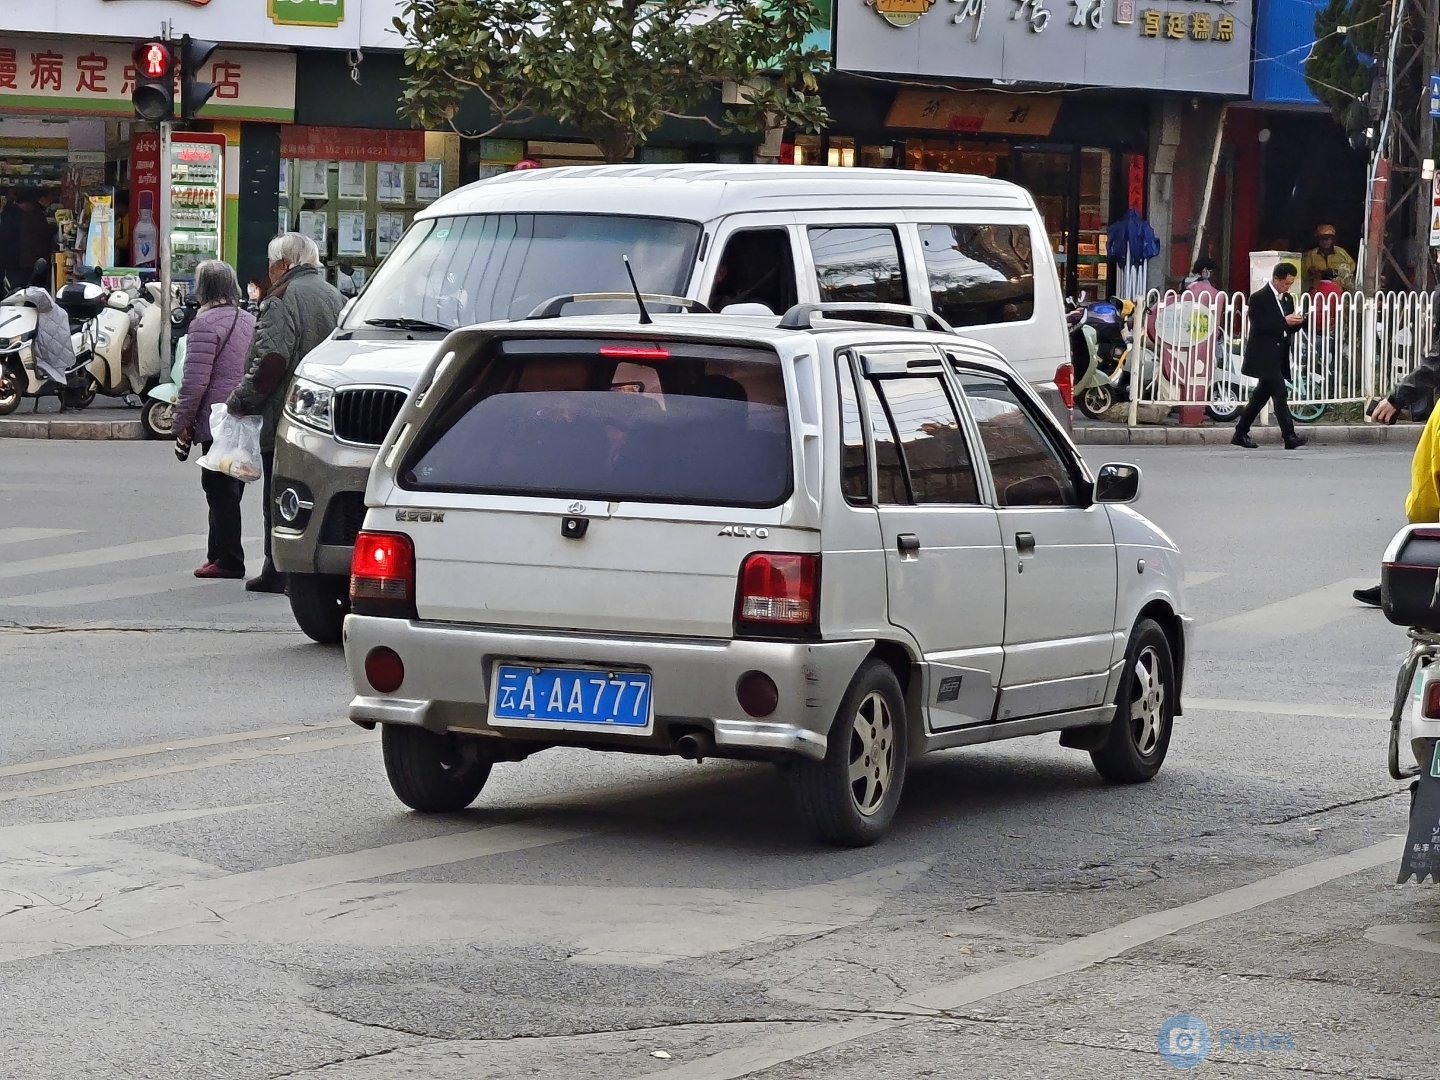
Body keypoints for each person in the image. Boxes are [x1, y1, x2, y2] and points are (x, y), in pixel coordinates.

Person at [226, 232, 346, 593]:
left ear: (282, 264)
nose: (268, 271)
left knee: (279, 494)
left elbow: (271, 359)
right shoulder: (336, 297)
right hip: (326, 413)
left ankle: (277, 567)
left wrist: (241, 399)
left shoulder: (281, 298)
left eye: (270, 264)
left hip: (285, 412)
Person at [173, 261, 257, 580]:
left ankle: (229, 559)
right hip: (245, 414)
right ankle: (217, 554)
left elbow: (195, 382)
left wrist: (182, 421)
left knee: (218, 489)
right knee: (230, 488)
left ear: (202, 288)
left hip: (218, 418)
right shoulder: (249, 320)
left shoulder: (204, 324)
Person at [1232, 262, 1308, 451]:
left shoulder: (1287, 299)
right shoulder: (1259, 298)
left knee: (1259, 397)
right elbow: (1260, 326)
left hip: (1279, 355)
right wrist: (1284, 321)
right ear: (1276, 279)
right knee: (1280, 393)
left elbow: (1287, 328)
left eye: (1290, 284)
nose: (1287, 288)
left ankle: (1240, 433)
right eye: (1285, 284)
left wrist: (1299, 322)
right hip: (1263, 355)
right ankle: (1289, 436)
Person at [1301, 224, 1356, 292]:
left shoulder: (1341, 252)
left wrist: (1336, 271)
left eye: (1327, 239)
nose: (1324, 242)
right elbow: (1303, 273)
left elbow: (1351, 267)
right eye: (1322, 239)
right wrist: (1313, 272)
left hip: (1338, 290)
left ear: (1332, 240)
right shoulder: (1311, 254)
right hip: (1318, 290)